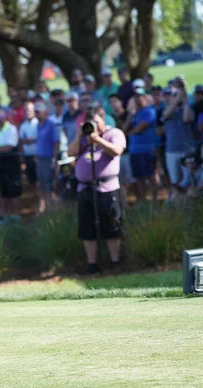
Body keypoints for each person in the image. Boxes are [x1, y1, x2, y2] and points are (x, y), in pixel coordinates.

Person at [67, 102, 126, 275]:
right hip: (85, 189)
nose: (93, 126)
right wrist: (80, 136)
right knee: (87, 227)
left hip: (107, 188)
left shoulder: (114, 133)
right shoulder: (83, 137)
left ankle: (115, 262)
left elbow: (116, 151)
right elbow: (70, 153)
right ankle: (92, 264)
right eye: (90, 123)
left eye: (96, 122)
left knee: (112, 225)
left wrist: (97, 140)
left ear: (103, 119)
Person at [162, 79, 196, 199]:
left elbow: (187, 118)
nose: (170, 97)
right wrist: (179, 96)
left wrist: (185, 99)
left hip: (186, 149)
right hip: (171, 150)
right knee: (174, 182)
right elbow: (167, 114)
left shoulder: (187, 107)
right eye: (168, 95)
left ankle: (188, 204)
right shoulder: (165, 109)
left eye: (172, 95)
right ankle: (176, 205)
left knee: (189, 180)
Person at [0, 109, 21, 221]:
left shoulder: (12, 129)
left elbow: (10, 147)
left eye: (0, 117)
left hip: (11, 163)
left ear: (5, 117)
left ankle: (15, 215)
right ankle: (4, 216)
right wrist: (0, 149)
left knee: (14, 190)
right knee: (2, 190)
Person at [124, 88, 156, 201]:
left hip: (147, 149)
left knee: (150, 175)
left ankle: (155, 199)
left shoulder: (149, 111)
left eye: (141, 96)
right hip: (134, 150)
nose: (139, 99)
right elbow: (124, 129)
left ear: (145, 97)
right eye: (136, 96)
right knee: (139, 177)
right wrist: (130, 115)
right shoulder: (134, 113)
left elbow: (138, 129)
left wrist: (128, 134)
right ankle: (144, 200)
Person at [34, 102, 60, 214]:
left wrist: (54, 159)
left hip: (49, 159)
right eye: (36, 112)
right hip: (40, 160)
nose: (37, 114)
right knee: (42, 185)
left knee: (49, 185)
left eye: (39, 112)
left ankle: (51, 210)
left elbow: (56, 143)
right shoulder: (38, 126)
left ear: (45, 113)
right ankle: (45, 208)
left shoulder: (51, 125)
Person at [19, 101, 39, 187]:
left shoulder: (39, 123)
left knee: (41, 180)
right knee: (32, 181)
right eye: (26, 110)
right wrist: (21, 158)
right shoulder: (23, 126)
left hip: (38, 156)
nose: (28, 112)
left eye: (30, 110)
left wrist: (33, 140)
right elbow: (21, 142)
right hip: (28, 156)